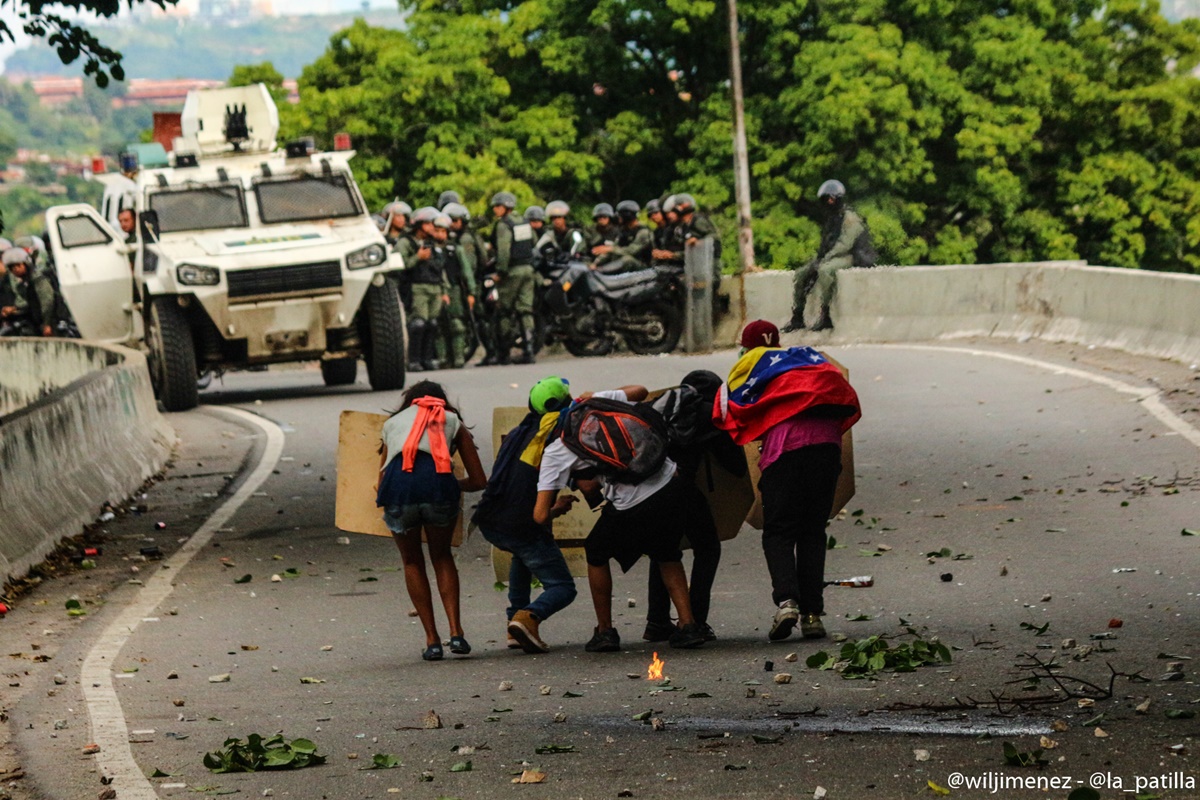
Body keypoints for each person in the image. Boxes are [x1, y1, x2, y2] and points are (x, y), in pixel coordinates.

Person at [533, 383, 709, 652]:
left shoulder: (556, 450)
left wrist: (558, 508)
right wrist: (597, 393)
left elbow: (541, 514)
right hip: (673, 482)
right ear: (570, 397)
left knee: (596, 550)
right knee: (666, 551)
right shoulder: (596, 402)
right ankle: (688, 626)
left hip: (633, 502)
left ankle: (605, 631)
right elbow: (640, 390)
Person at [714, 320, 861, 642]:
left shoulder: (752, 366)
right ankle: (812, 616)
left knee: (779, 530)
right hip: (826, 449)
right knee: (812, 530)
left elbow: (732, 408)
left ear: (746, 345)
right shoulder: (805, 361)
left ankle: (787, 602)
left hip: (785, 453)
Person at [376, 381, 487, 660]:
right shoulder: (451, 421)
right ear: (442, 401)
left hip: (398, 491)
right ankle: (457, 633)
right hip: (439, 490)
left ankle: (432, 641)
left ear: (409, 402)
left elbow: (381, 482)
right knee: (441, 556)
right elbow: (478, 480)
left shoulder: (392, 424)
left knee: (412, 561)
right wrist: (450, 485)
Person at [472, 376, 579, 653]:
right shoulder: (556, 437)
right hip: (521, 525)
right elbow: (535, 513)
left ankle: (512, 624)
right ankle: (527, 617)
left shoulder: (520, 433)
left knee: (522, 554)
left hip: (492, 521)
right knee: (563, 587)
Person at [643, 369, 747, 642]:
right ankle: (696, 620)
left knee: (663, 550)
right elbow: (735, 466)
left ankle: (657, 621)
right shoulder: (711, 414)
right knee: (708, 548)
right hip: (681, 490)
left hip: (647, 492)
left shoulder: (662, 408)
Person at [785, 180, 876, 332]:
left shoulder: (850, 218)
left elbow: (844, 244)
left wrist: (825, 259)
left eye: (831, 199)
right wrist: (819, 259)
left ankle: (825, 315)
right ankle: (797, 316)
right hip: (834, 255)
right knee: (801, 274)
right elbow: (826, 243)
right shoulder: (832, 218)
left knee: (825, 271)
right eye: (827, 199)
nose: (829, 202)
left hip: (852, 255)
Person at [488, 191, 538, 365]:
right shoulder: (524, 221)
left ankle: (504, 353)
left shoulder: (504, 224)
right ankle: (529, 351)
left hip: (512, 272)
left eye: (497, 206)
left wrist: (500, 272)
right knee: (525, 310)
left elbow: (503, 251)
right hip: (528, 270)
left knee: (504, 311)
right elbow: (533, 243)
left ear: (505, 207)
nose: (495, 209)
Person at [403, 207, 450, 372]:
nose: (432, 227)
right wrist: (417, 257)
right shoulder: (407, 242)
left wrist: (444, 290)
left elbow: (440, 269)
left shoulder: (434, 244)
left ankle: (427, 359)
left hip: (435, 287)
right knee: (418, 324)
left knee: (432, 324)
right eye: (429, 224)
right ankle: (414, 360)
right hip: (418, 286)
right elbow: (399, 265)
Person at [442, 204, 478, 368]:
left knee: (457, 324)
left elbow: (467, 270)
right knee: (438, 327)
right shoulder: (431, 249)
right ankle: (443, 359)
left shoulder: (456, 247)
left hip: (455, 289)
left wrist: (471, 292)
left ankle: (458, 358)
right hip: (437, 290)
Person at [1, 247, 50, 336]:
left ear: (25, 264)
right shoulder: (22, 285)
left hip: (48, 322)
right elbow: (25, 303)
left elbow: (47, 302)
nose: (16, 269)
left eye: (18, 265)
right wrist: (13, 309)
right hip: (35, 322)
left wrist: (48, 324)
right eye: (12, 267)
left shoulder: (37, 280)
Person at [594, 200, 652, 274]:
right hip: (628, 266)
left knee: (627, 259)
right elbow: (614, 247)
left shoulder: (643, 231)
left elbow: (631, 251)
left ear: (627, 216)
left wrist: (611, 249)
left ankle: (604, 272)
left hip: (644, 267)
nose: (619, 219)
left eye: (620, 216)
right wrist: (595, 264)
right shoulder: (624, 230)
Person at [535, 200, 585, 268]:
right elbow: (538, 247)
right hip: (555, 264)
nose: (557, 221)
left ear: (564, 219)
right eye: (554, 218)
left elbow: (578, 249)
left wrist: (574, 254)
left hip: (572, 264)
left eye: (559, 217)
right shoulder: (549, 234)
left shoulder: (573, 233)